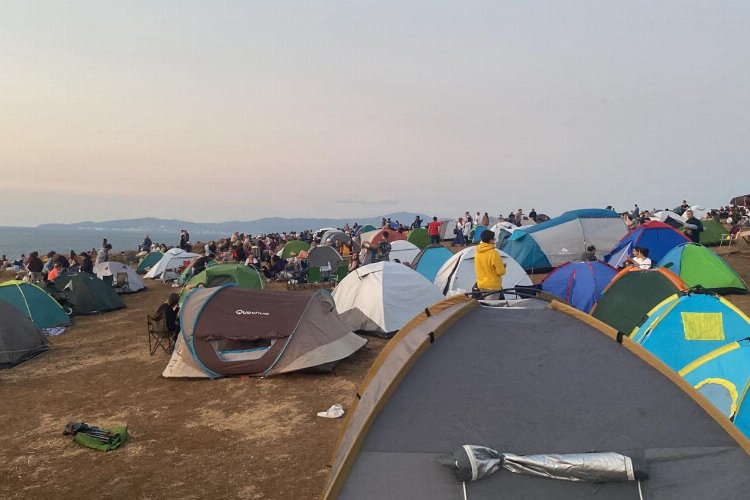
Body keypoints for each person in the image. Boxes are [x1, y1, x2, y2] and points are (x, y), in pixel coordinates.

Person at [474, 230, 506, 300]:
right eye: (493, 238)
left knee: (486, 303)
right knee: (492, 306)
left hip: (481, 284)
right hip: (492, 286)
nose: (495, 240)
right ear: (490, 240)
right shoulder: (493, 253)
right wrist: (503, 266)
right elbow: (501, 272)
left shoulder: (477, 252)